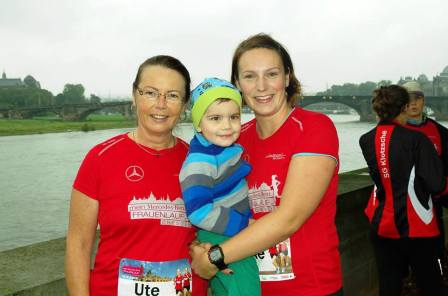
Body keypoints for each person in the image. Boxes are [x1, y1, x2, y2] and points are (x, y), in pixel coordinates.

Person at [190, 33, 343, 295]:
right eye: (249, 76)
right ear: (237, 83)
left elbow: (289, 219)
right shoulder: (232, 139)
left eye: (271, 74)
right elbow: (205, 196)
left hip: (308, 287)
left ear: (287, 77)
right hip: (245, 283)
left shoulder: (314, 128)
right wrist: (197, 245)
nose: (261, 86)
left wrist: (215, 257)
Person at [65, 55, 207, 296]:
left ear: (184, 105)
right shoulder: (100, 159)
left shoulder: (200, 162)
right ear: (134, 96)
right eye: (151, 92)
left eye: (172, 95)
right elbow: (78, 246)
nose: (160, 104)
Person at [359, 85, 448, 296]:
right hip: (417, 226)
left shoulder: (366, 139)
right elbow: (436, 184)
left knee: (389, 285)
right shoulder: (416, 140)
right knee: (432, 284)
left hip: (381, 223)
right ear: (405, 107)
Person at [180, 77, 260, 295]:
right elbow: (198, 212)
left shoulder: (219, 149)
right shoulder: (200, 162)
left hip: (223, 233)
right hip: (224, 235)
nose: (226, 125)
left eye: (233, 117)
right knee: (246, 288)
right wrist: (244, 225)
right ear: (198, 123)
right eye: (215, 118)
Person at [403, 81, 448, 272]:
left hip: (433, 201)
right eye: (408, 100)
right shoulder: (394, 131)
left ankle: (438, 274)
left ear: (423, 101)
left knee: (435, 247)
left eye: (417, 99)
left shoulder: (440, 131)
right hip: (403, 204)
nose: (413, 104)